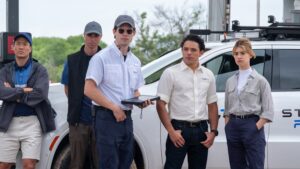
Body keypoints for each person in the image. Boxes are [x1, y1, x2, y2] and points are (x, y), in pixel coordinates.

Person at [84, 15, 150, 169]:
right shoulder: (101, 58)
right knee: (109, 164)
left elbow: (134, 91)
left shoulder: (135, 61)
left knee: (125, 163)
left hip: (127, 119)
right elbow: (88, 89)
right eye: (121, 30)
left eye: (129, 30)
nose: (125, 33)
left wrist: (140, 102)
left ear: (134, 33)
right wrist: (113, 108)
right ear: (114, 31)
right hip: (106, 118)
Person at [156, 34, 219, 169]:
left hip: (202, 130)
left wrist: (213, 132)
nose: (188, 53)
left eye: (193, 50)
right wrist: (171, 131)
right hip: (178, 129)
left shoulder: (208, 75)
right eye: (185, 49)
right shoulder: (170, 73)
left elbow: (212, 105)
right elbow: (160, 104)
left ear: (201, 52)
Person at [0, 33, 54, 169]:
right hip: (9, 121)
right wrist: (23, 91)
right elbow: (1, 92)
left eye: (25, 44)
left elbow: (40, 94)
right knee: (4, 165)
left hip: (32, 122)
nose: (21, 47)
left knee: (29, 165)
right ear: (12, 47)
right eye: (18, 44)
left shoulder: (40, 70)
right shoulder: (5, 70)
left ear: (30, 48)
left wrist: (12, 92)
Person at [224, 38, 274, 169]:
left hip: (252, 125)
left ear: (250, 54)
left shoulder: (260, 81)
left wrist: (255, 127)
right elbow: (227, 109)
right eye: (236, 53)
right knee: (236, 166)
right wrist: (228, 126)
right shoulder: (230, 81)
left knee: (255, 165)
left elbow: (268, 111)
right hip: (233, 126)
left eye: (242, 53)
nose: (239, 56)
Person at [61, 21, 102, 169]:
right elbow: (67, 88)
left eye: (95, 35)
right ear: (84, 36)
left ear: (101, 37)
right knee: (76, 163)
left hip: (102, 119)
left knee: (101, 163)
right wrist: (77, 104)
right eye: (89, 35)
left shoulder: (107, 59)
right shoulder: (72, 60)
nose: (92, 39)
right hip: (78, 121)